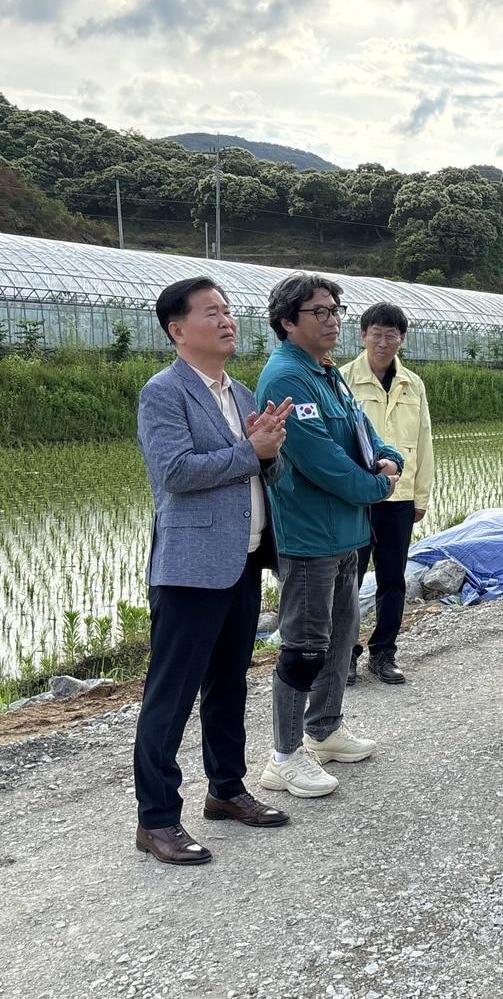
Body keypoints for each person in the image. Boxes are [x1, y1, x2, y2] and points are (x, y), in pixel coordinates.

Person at [133, 277, 294, 865]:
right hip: (190, 568)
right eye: (211, 312)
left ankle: (226, 790)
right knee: (170, 696)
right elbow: (175, 472)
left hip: (243, 561)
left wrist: (270, 452)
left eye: (228, 311)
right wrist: (253, 452)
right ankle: (156, 820)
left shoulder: (244, 393)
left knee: (228, 685)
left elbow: (261, 474)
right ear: (178, 329)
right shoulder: (165, 393)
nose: (227, 320)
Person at [255, 273, 403, 798]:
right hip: (310, 537)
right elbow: (324, 464)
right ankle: (283, 756)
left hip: (347, 533)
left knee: (341, 639)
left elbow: (368, 436)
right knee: (304, 647)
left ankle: (325, 728)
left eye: (336, 309)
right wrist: (379, 485)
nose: (333, 319)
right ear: (287, 320)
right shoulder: (285, 380)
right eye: (319, 311)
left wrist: (392, 459)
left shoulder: (328, 375)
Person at [343, 302, 434, 686]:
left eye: (391, 334)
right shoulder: (343, 380)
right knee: (348, 580)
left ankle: (384, 653)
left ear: (402, 338)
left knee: (393, 579)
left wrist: (421, 497)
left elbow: (424, 441)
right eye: (376, 333)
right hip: (358, 498)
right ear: (363, 335)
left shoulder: (413, 384)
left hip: (399, 500)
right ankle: (345, 654)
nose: (383, 341)